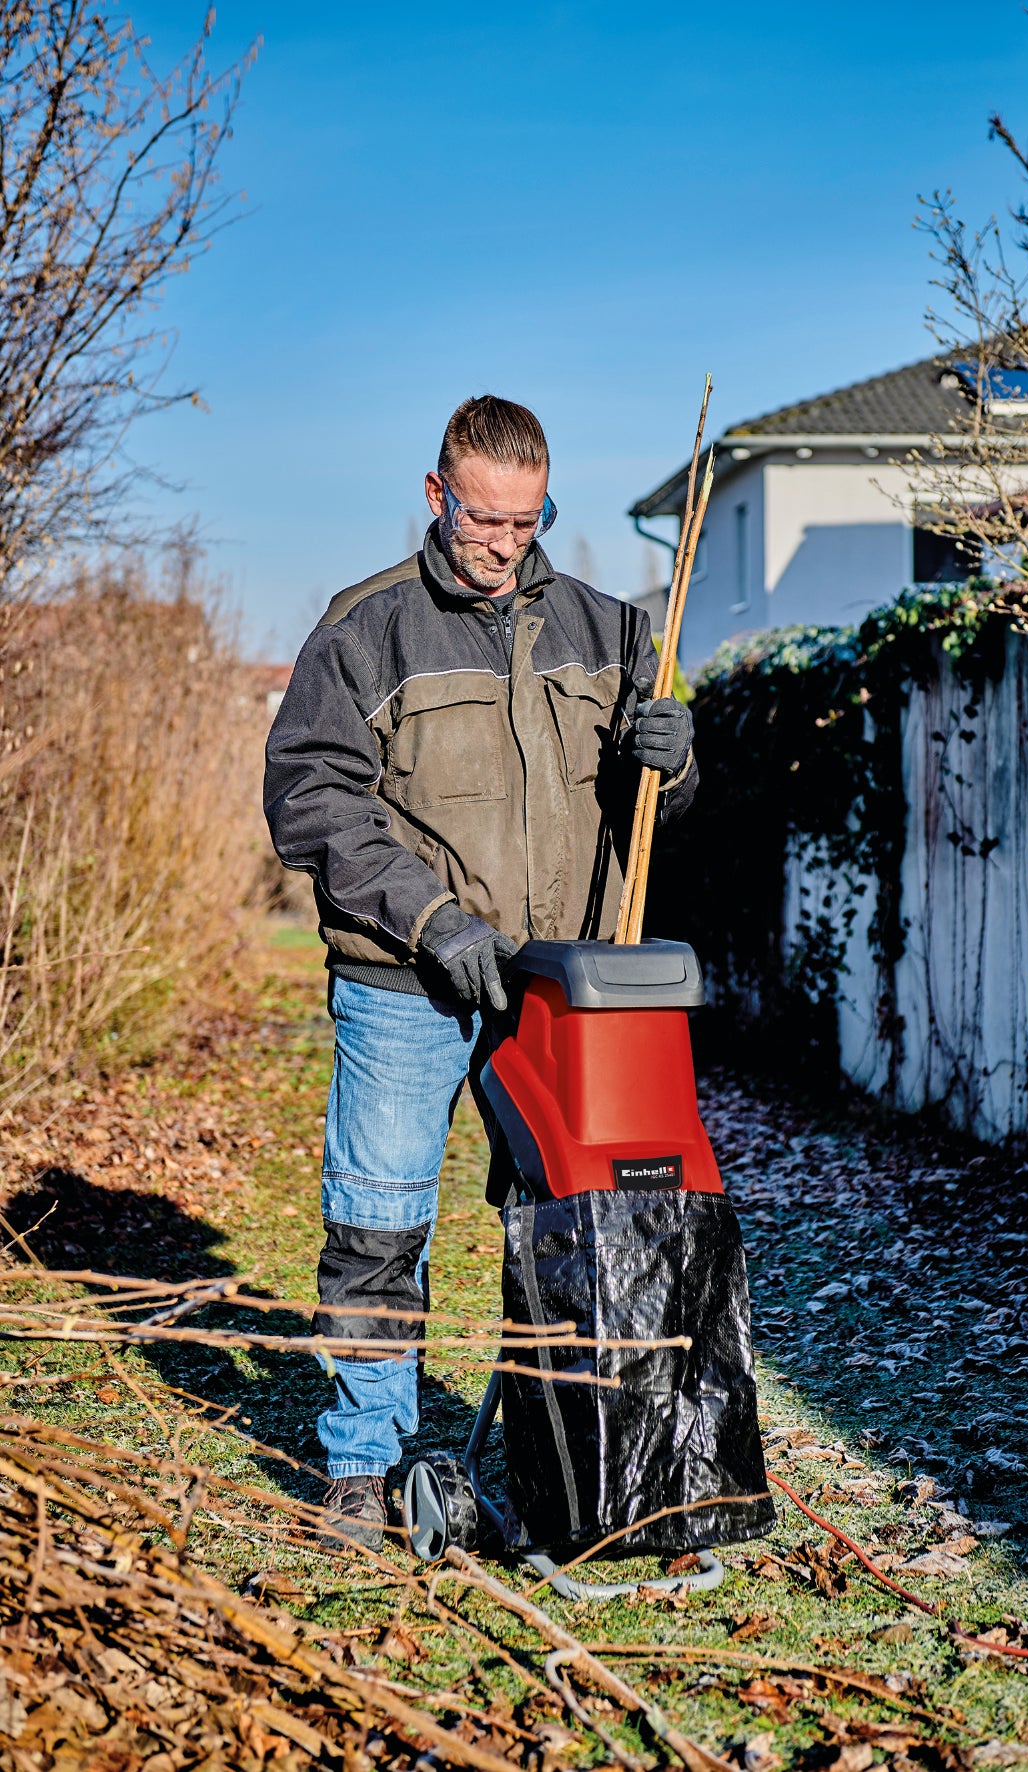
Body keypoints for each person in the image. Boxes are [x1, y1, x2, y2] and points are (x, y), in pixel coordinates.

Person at [263, 394, 697, 1547]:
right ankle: (364, 1462)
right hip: (409, 981)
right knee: (378, 1221)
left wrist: (680, 758)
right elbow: (309, 800)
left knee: (560, 1226)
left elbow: (653, 809)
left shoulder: (613, 627)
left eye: (526, 518)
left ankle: (558, 1453)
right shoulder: (367, 630)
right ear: (436, 494)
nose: (503, 541)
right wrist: (432, 917)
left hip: (562, 990)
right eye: (481, 517)